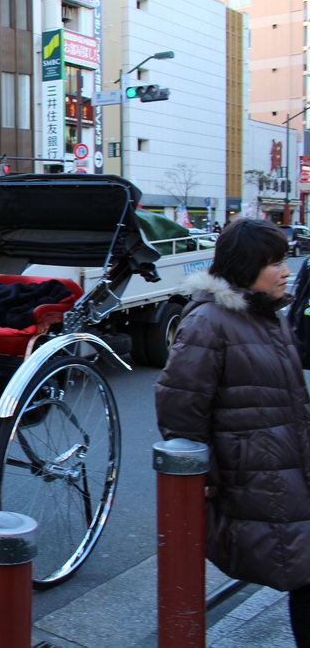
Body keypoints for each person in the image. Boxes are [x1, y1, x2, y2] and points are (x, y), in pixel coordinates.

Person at [154, 218, 310, 647]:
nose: (285, 271)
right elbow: (179, 403)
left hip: (288, 465)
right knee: (303, 571)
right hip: (257, 474)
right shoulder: (209, 321)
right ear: (245, 268)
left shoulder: (270, 316)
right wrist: (202, 475)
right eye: (274, 263)